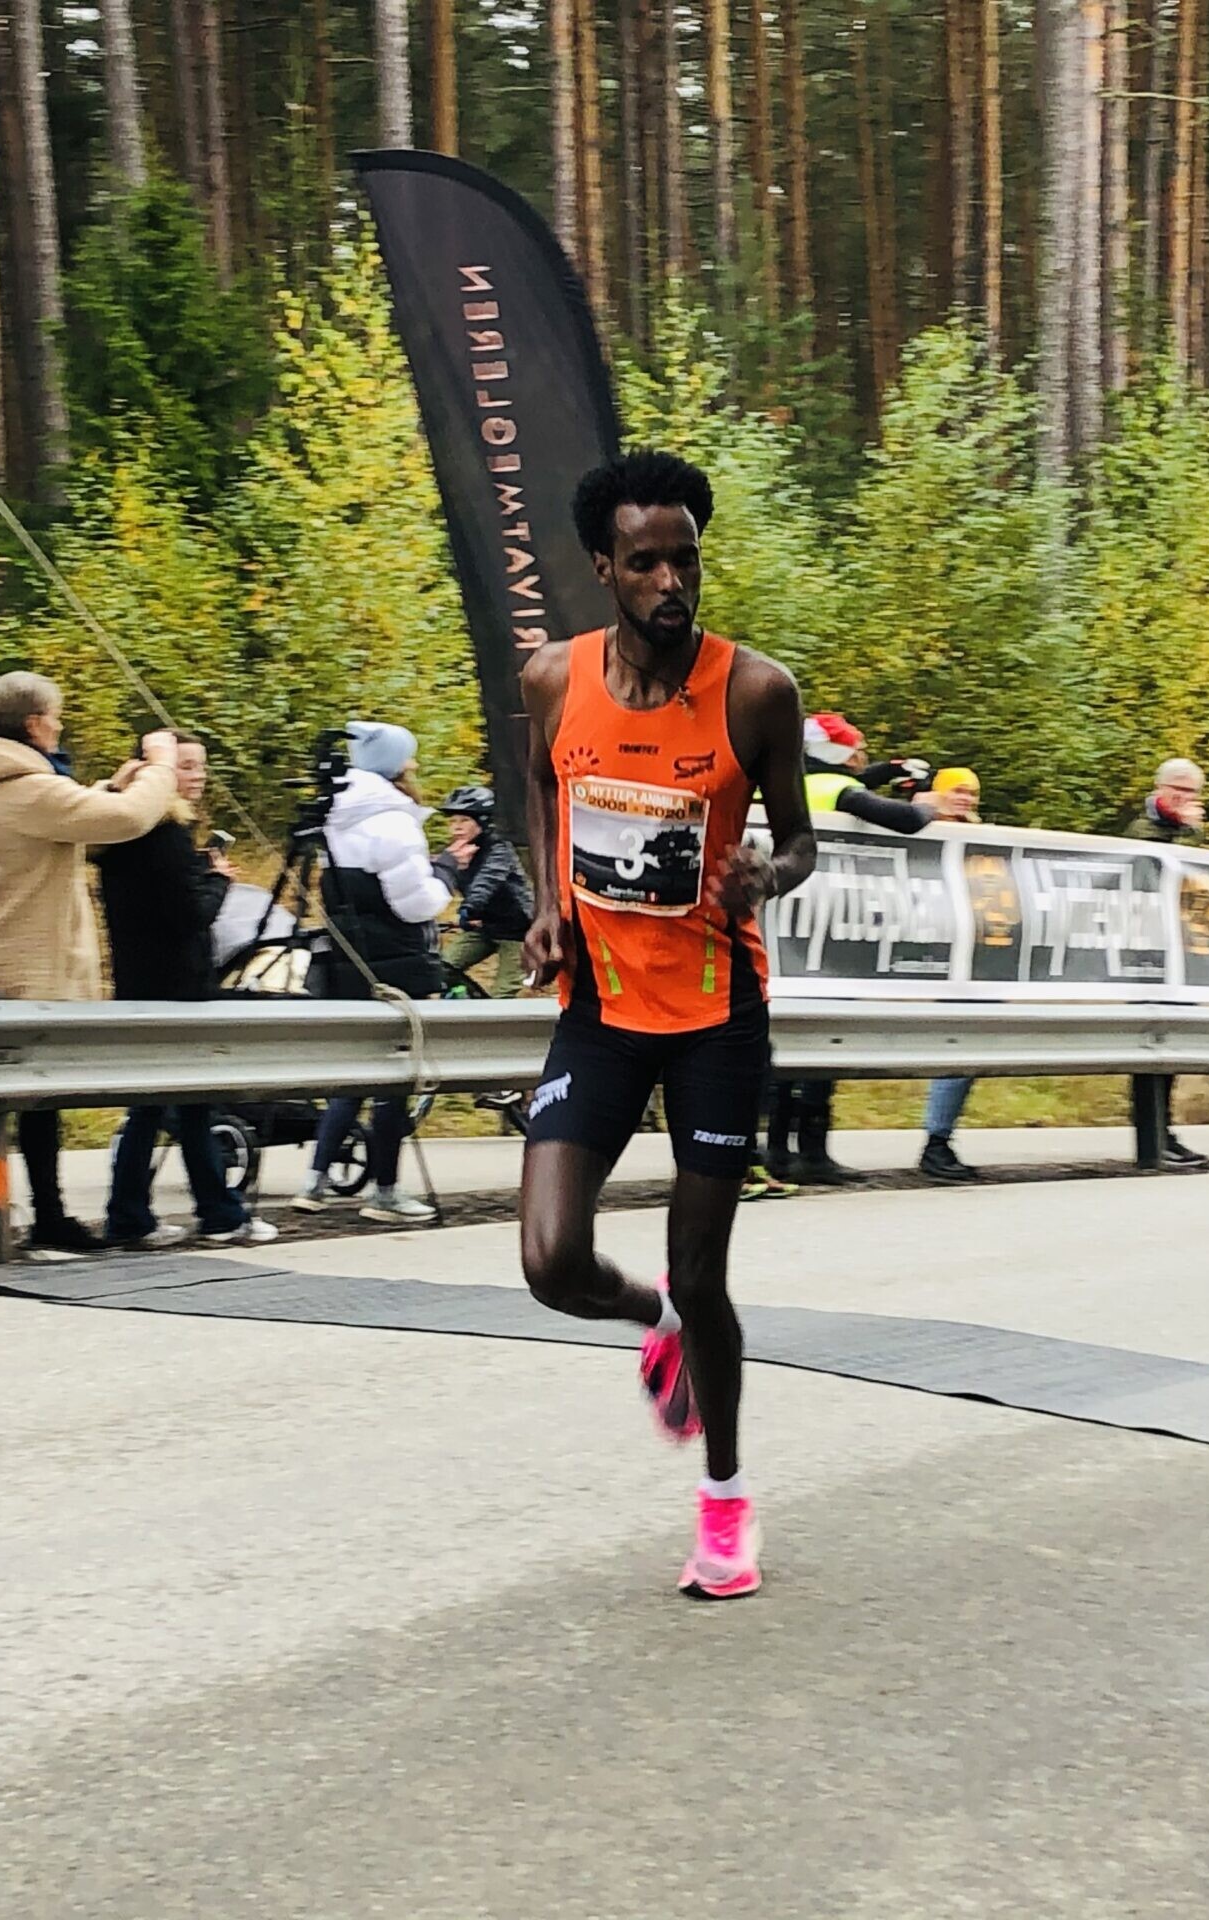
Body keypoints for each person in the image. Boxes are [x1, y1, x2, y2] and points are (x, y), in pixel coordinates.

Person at [519, 447, 817, 1602]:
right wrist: (547, 903)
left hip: (713, 1018)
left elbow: (800, 838)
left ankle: (725, 1500)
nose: (669, 582)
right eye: (644, 563)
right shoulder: (554, 678)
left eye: (684, 559)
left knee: (704, 1271)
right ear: (602, 568)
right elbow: (540, 784)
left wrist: (764, 875)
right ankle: (650, 1322)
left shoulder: (756, 692)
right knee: (550, 1260)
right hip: (599, 1009)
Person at [0, 674, 180, 1254]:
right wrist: (162, 768)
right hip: (25, 968)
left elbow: (67, 817)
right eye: (56, 716)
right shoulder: (27, 790)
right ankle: (33, 1217)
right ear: (34, 724)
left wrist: (109, 786)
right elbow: (125, 821)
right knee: (33, 1105)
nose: (61, 724)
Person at [97, 738, 276, 1249]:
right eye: (187, 766)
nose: (198, 776)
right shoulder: (168, 834)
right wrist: (217, 881)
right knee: (177, 1105)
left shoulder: (118, 836)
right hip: (179, 988)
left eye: (201, 767)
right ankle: (188, 1214)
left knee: (167, 1106)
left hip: (139, 984)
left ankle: (182, 1212)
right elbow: (190, 914)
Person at [292, 721, 450, 1225]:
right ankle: (385, 1191)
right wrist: (447, 875)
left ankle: (315, 1181)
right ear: (398, 766)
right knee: (394, 1082)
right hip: (398, 964)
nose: (415, 766)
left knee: (354, 1076)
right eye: (410, 758)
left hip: (346, 963)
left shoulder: (335, 817)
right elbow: (414, 904)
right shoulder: (394, 822)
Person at [767, 714, 936, 1184]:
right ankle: (813, 1152)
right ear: (839, 756)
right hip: (822, 926)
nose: (863, 756)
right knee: (821, 1042)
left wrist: (888, 770)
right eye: (858, 749)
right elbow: (904, 820)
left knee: (785, 1043)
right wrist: (930, 807)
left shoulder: (784, 780)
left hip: (779, 924)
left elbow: (848, 782)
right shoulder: (834, 789)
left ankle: (777, 1150)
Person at [1123, 756, 1209, 1169]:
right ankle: (1153, 1134)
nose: (1183, 797)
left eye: (1191, 791)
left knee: (1169, 1047)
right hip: (1146, 948)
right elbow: (1159, 864)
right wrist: (1188, 831)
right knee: (1150, 1043)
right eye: (1177, 788)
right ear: (1159, 788)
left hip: (1179, 948)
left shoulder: (1183, 830)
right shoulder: (1144, 826)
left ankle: (1164, 1131)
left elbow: (1198, 876)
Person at [919, 767, 988, 1184]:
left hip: (966, 961)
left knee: (963, 1049)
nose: (965, 799)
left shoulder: (983, 839)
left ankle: (938, 1141)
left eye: (971, 793)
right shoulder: (917, 827)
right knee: (956, 1047)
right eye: (957, 791)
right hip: (924, 956)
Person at [432, 782, 534, 996]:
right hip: (485, 928)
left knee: (502, 995)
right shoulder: (458, 851)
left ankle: (486, 1009)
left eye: (464, 820)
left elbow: (487, 880)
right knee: (440, 969)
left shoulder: (499, 849)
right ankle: (473, 1003)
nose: (456, 827)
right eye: (453, 821)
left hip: (517, 932)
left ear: (482, 822)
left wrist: (469, 909)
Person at [1125, 757, 1207, 846]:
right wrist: (1186, 828)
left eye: (1189, 791)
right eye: (1176, 788)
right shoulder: (1141, 823)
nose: (1181, 795)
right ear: (1160, 788)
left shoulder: (1193, 826)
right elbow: (1170, 853)